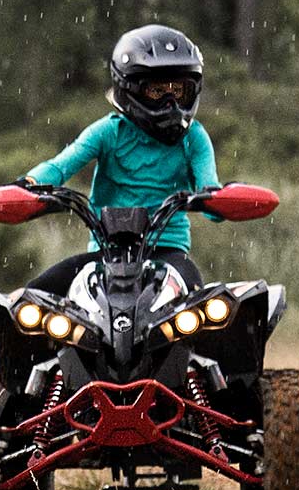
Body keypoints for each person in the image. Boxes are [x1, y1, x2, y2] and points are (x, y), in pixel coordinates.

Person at [22, 26, 225, 300]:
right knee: (29, 299)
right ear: (129, 88)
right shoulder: (108, 131)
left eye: (178, 90)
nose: (170, 103)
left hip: (169, 253)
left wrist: (223, 200)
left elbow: (209, 189)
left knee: (206, 310)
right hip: (104, 254)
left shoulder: (195, 138)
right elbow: (61, 166)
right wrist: (28, 186)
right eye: (157, 91)